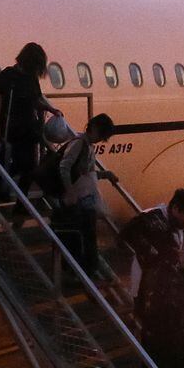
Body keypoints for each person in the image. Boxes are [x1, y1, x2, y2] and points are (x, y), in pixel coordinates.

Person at [118, 188, 184, 368]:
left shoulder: (178, 228)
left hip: (169, 290)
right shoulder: (149, 220)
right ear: (174, 207)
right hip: (148, 289)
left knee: (178, 334)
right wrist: (151, 253)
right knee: (153, 337)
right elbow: (124, 239)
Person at [0, 42, 61, 189]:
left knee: (29, 166)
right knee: (17, 164)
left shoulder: (30, 78)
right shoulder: (8, 76)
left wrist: (51, 109)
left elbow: (36, 99)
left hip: (28, 128)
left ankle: (19, 201)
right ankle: (1, 189)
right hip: (11, 128)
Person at [55, 114, 118, 277]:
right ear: (95, 129)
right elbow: (65, 167)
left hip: (83, 198)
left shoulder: (87, 146)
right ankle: (84, 271)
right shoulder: (79, 144)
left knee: (87, 236)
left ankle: (88, 270)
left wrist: (105, 174)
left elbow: (86, 173)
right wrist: (70, 191)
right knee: (82, 237)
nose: (101, 141)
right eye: (102, 136)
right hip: (77, 199)